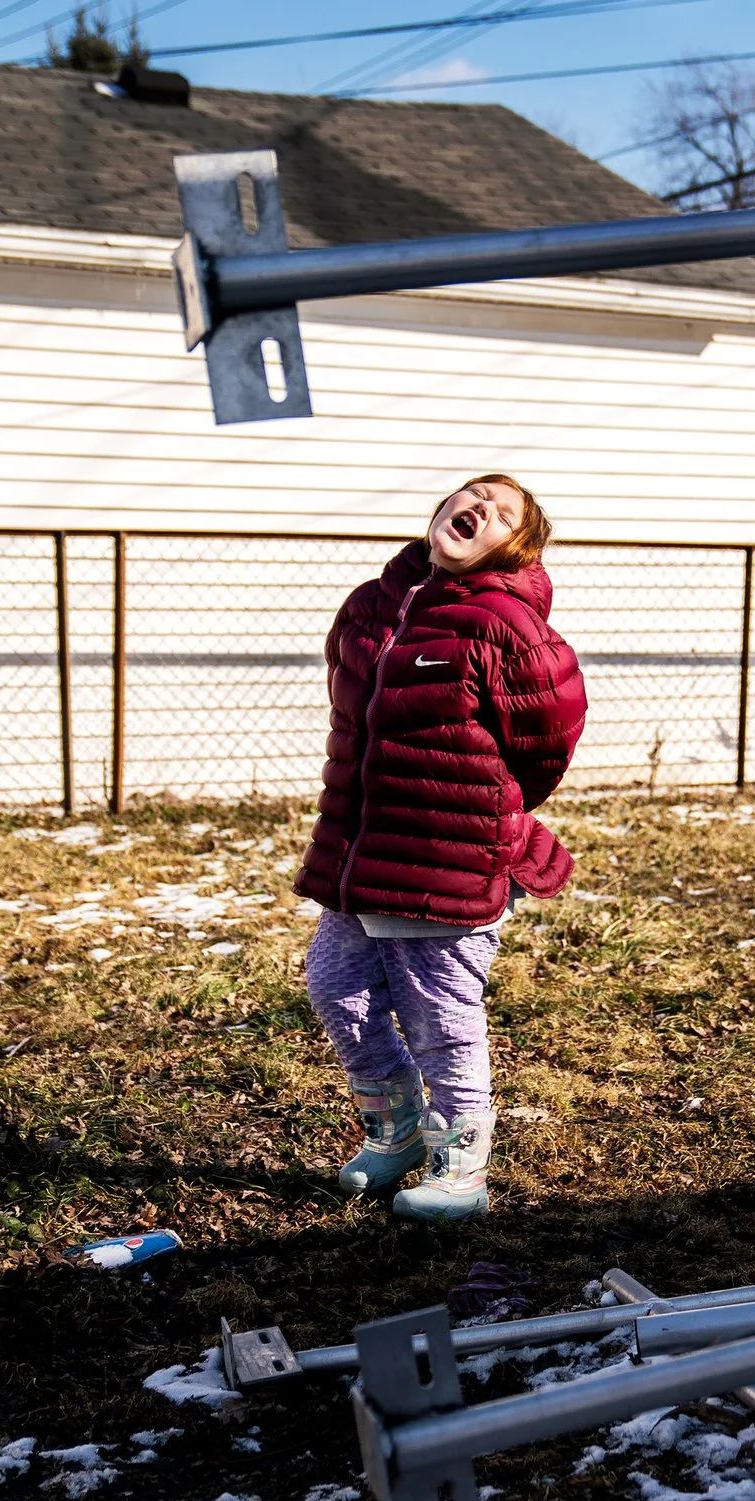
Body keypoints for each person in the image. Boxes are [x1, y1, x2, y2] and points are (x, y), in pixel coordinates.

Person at [295, 475, 587, 1220]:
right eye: (472, 493)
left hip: (449, 856)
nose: (480, 506)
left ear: (514, 546)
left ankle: (460, 1166)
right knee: (337, 991)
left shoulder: (506, 624)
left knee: (440, 1018)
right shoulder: (372, 604)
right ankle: (393, 1131)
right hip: (359, 853)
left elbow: (546, 740)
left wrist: (486, 806)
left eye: (503, 511)